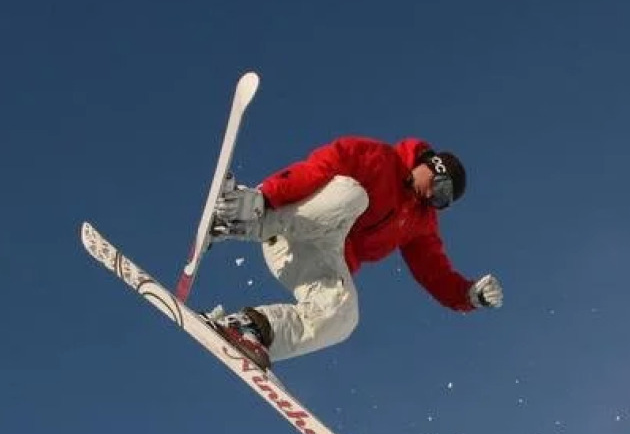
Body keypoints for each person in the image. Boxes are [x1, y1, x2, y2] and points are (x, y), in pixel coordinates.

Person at [204, 136, 503, 370]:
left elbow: (434, 271)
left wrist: (467, 294)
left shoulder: (419, 222)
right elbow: (316, 169)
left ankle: (250, 329)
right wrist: (266, 196)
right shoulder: (378, 159)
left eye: (442, 202)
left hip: (313, 257)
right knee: (353, 195)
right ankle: (239, 217)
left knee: (344, 315)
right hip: (284, 223)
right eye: (439, 190)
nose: (432, 199)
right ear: (432, 165)